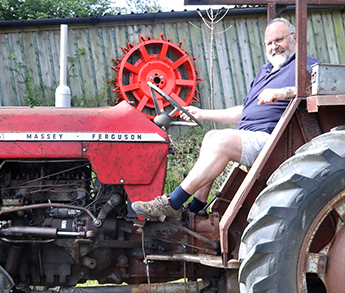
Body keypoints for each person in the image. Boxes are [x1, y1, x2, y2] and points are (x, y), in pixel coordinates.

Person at [131, 18, 321, 220]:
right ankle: (196, 209)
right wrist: (202, 113)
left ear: (294, 38)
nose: (274, 47)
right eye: (269, 43)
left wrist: (285, 92)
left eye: (279, 40)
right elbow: (244, 111)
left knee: (222, 142)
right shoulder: (265, 72)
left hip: (274, 140)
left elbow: (322, 87)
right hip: (249, 135)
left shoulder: (305, 64)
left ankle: (173, 202)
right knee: (212, 136)